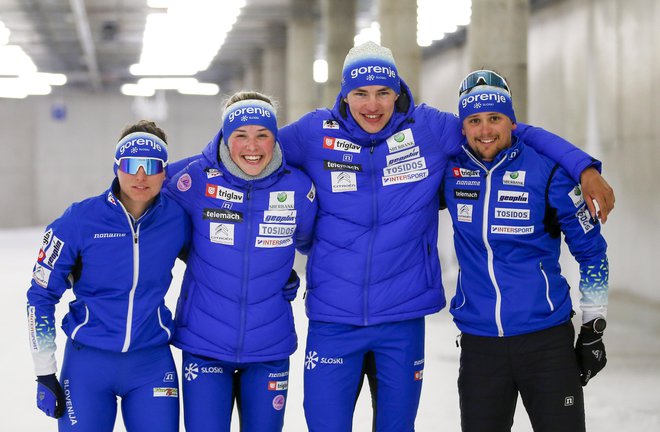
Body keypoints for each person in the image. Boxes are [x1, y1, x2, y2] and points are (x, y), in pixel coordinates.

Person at [276, 41, 614, 431]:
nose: (373, 104)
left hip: (450, 323)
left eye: (383, 92)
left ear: (398, 90)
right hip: (359, 322)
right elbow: (256, 153)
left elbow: (511, 135)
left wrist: (583, 167)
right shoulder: (317, 132)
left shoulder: (432, 130)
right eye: (361, 93)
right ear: (345, 94)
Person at [441, 70, 609, 432]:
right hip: (480, 345)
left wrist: (593, 328)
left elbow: (592, 252)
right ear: (463, 126)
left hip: (546, 343)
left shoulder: (549, 171)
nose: (485, 130)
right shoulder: (450, 171)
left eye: (495, 118)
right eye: (474, 120)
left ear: (512, 122)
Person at [164, 91, 317, 432]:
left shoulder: (298, 187)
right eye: (241, 135)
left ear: (275, 137)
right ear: (225, 136)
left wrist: (283, 272)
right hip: (205, 341)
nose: (252, 146)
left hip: (269, 343)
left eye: (262, 134)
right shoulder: (194, 178)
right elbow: (141, 197)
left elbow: (310, 241)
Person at [26, 120, 190, 432]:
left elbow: (215, 263)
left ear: (164, 171)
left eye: (151, 165)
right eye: (131, 164)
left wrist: (274, 271)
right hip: (88, 365)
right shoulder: (79, 220)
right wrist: (44, 371)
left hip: (151, 364)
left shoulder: (177, 219)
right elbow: (40, 295)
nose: (140, 176)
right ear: (116, 166)